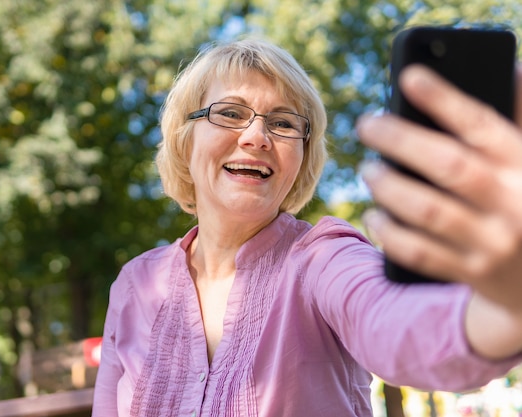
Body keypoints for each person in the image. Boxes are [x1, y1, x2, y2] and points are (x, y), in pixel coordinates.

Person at [92, 38, 522, 417]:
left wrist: (507, 302)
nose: (257, 136)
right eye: (230, 113)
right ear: (186, 140)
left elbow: (399, 325)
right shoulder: (134, 284)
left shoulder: (325, 255)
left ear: (301, 158)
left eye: (282, 123)